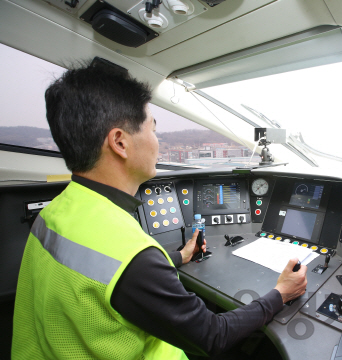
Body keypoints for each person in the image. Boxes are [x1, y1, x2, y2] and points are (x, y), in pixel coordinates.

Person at [11, 59, 308, 359]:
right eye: (153, 128)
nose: (158, 141)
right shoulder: (134, 257)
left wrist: (180, 256)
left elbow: (107, 269)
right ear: (120, 142)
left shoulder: (53, 214)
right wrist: (280, 293)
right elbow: (213, 335)